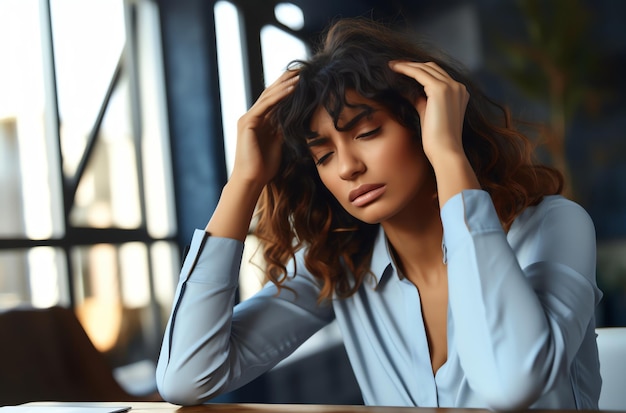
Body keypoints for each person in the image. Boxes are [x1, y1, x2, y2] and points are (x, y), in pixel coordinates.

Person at [155, 17, 603, 410]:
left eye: (367, 132)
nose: (348, 167)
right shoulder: (339, 264)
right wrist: (244, 183)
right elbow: (187, 376)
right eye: (324, 155)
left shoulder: (553, 226)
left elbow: (511, 384)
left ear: (423, 122)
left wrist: (448, 156)